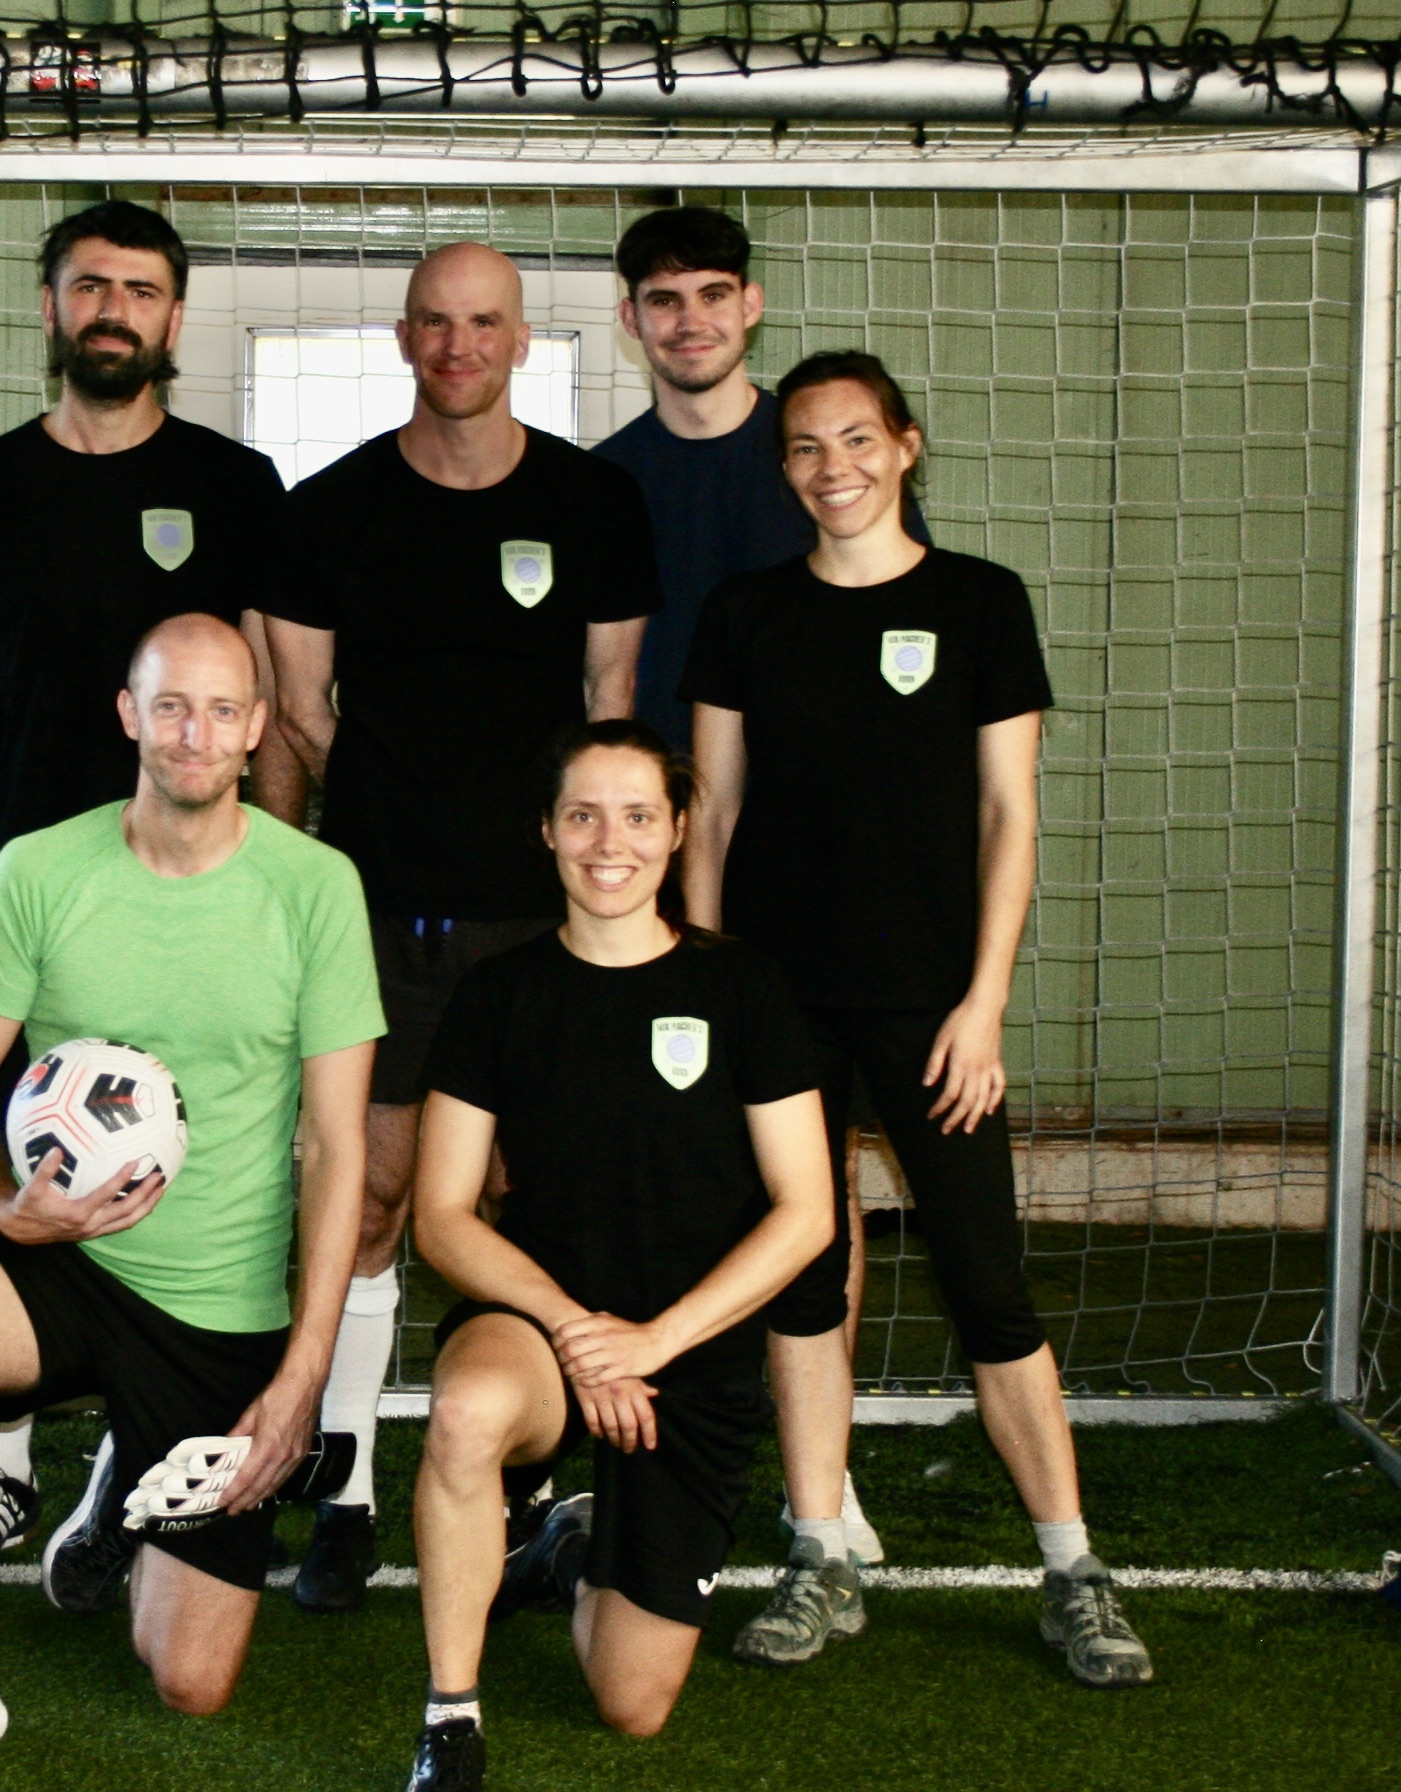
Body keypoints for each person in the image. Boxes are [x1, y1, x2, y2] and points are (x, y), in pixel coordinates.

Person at [0, 615, 381, 1777]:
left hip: (215, 1311)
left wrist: (302, 1373)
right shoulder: (39, 869)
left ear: (257, 728)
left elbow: (334, 1146)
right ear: (129, 715)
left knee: (190, 1681)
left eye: (222, 710)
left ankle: (126, 1482)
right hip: (57, 1260)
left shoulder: (316, 888)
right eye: (170, 706)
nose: (194, 734)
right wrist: (3, 1199)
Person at [681, 350, 1154, 1689]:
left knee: (987, 1282)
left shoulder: (980, 602)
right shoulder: (744, 612)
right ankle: (818, 1549)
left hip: (934, 1011)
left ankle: (1073, 1567)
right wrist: (711, 989)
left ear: (905, 444)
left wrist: (983, 1002)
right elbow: (712, 815)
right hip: (779, 1007)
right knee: (804, 1274)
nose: (831, 467)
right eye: (804, 447)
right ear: (783, 469)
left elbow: (1009, 816)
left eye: (855, 439)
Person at [264, 242, 660, 1611]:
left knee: (519, 1204)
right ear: (403, 337)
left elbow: (613, 700)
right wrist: (400, 814)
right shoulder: (330, 508)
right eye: (434, 321)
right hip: (382, 918)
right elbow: (300, 714)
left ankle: (533, 1479)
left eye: (484, 322)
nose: (458, 345)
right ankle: (343, 1488)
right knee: (369, 1196)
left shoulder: (595, 502)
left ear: (520, 339)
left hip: (545, 931)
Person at [0, 199, 294, 1583]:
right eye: (89, 286)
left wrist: (269, 890)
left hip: (196, 900)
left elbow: (268, 703)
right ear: (51, 306)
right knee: (18, 1159)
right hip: (31, 905)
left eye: (139, 290)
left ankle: (134, 1454)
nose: (112, 310)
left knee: (185, 1173)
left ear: (174, 316)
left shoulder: (238, 485)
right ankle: (3, 1464)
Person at [400, 719, 833, 1792]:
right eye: (583, 815)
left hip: (687, 1355)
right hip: (543, 1331)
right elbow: (442, 1215)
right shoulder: (498, 994)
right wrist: (577, 1331)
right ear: (547, 832)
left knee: (630, 1705)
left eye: (638, 816)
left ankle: (573, 1546)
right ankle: (451, 1720)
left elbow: (807, 1211)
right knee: (465, 1413)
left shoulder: (743, 987)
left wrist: (654, 1342)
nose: (611, 843)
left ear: (677, 829)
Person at [597, 203, 931, 1568]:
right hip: (641, 878)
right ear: (630, 319)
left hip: (807, 889)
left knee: (812, 1179)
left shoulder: (817, 452)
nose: (688, 320)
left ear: (752, 306)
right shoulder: (604, 480)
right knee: (646, 1161)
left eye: (711, 294)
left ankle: (820, 1481)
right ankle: (630, 1439)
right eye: (661, 298)